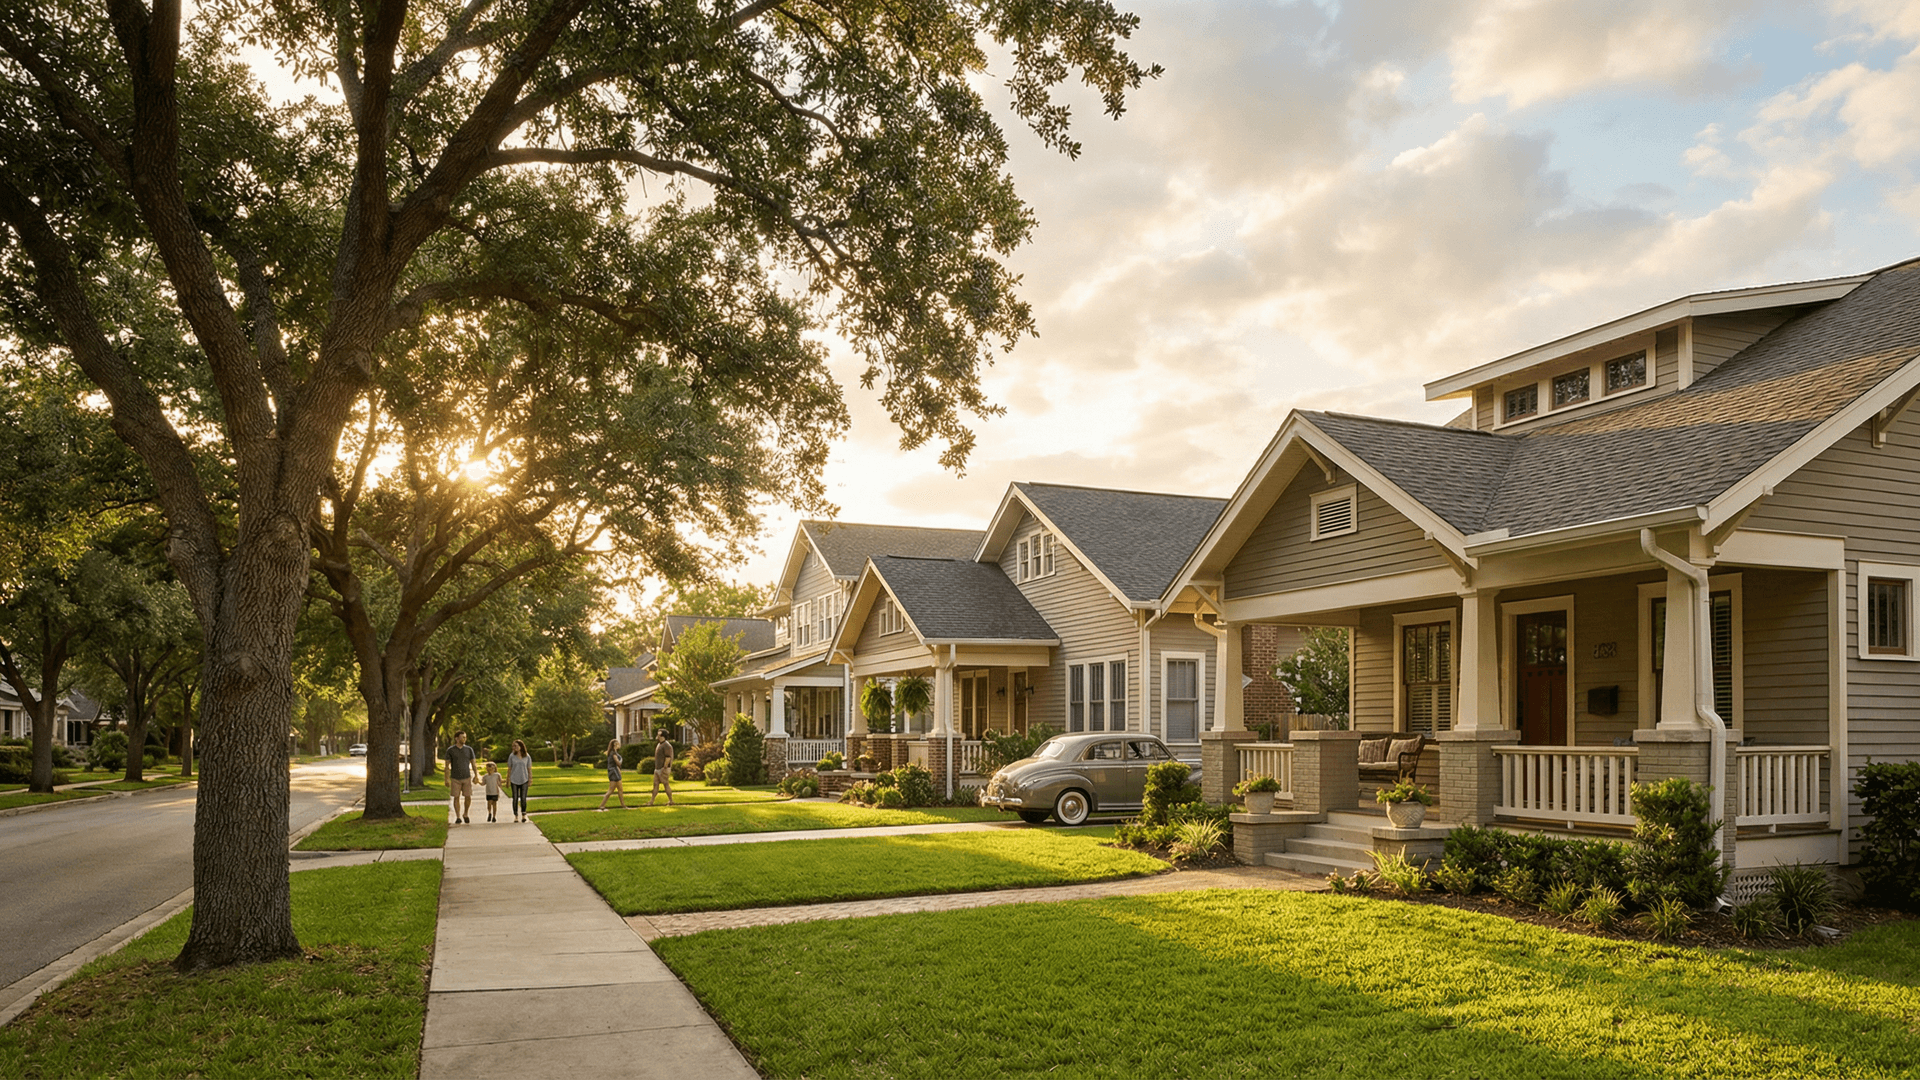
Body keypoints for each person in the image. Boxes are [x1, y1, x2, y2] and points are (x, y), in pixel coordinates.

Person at [445, 730, 478, 824]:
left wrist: (476, 776)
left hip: (467, 777)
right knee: (456, 797)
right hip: (455, 778)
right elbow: (447, 766)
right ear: (456, 738)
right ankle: (458, 816)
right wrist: (446, 779)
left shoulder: (469, 749)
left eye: (465, 737)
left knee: (468, 796)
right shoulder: (450, 750)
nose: (465, 739)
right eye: (463, 737)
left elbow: (473, 764)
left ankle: (466, 814)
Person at [597, 738, 628, 811]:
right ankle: (602, 805)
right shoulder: (613, 753)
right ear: (615, 745)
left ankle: (623, 805)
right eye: (618, 743)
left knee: (620, 789)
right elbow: (618, 763)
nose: (619, 744)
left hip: (615, 772)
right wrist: (621, 760)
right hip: (614, 773)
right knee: (611, 790)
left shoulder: (614, 752)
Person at [506, 739, 533, 822]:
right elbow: (509, 769)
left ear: (521, 746)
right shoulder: (511, 756)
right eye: (513, 746)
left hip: (524, 779)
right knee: (515, 798)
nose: (514, 747)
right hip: (514, 779)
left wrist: (530, 779)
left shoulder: (527, 756)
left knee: (523, 798)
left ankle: (524, 814)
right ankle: (516, 815)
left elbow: (529, 769)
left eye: (516, 746)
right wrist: (508, 780)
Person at [648, 730, 676, 806]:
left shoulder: (667, 745)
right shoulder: (659, 744)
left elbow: (668, 758)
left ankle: (671, 801)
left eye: (659, 734)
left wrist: (665, 767)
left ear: (663, 735)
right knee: (655, 785)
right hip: (657, 768)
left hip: (663, 769)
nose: (657, 735)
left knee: (666, 784)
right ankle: (651, 801)